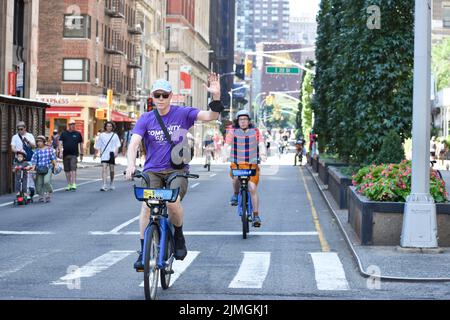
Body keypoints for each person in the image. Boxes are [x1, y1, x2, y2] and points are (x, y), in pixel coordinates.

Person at [125, 74, 224, 271]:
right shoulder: (145, 118)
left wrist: (216, 95)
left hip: (176, 170)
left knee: (172, 202)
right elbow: (134, 142)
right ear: (152, 97)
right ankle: (142, 251)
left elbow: (211, 116)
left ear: (171, 96)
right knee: (146, 207)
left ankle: (178, 236)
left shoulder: (183, 113)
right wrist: (130, 165)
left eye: (164, 95)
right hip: (152, 170)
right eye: (157, 95)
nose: (161, 99)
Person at [224, 110, 267, 227]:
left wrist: (263, 154)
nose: (243, 122)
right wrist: (225, 155)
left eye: (245, 119)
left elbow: (261, 144)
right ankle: (235, 193)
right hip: (237, 164)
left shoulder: (255, 132)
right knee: (235, 178)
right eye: (240, 119)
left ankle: (256, 215)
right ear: (237, 121)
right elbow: (227, 145)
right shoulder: (232, 132)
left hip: (252, 164)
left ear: (249, 121)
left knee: (252, 188)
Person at [10, 121, 36, 199]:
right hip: (18, 159)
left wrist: (27, 141)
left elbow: (34, 146)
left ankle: (29, 191)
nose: (20, 131)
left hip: (28, 158)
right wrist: (18, 152)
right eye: (18, 129)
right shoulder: (15, 137)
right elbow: (12, 147)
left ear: (25, 128)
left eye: (21, 129)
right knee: (19, 177)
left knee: (28, 176)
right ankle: (20, 192)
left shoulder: (30, 135)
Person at [95, 121, 121, 191]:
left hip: (111, 153)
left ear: (112, 127)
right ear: (105, 127)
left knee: (112, 169)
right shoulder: (102, 135)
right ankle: (104, 184)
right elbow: (98, 145)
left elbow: (117, 145)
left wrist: (116, 152)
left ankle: (111, 182)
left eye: (110, 126)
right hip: (104, 154)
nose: (109, 127)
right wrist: (95, 154)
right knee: (104, 169)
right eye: (107, 126)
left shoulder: (114, 135)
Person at [31, 135, 57, 202]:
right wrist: (33, 168)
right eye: (37, 142)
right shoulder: (36, 151)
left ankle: (49, 193)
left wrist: (56, 165)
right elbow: (34, 161)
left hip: (48, 168)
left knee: (46, 181)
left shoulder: (49, 149)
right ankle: (41, 196)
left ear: (44, 142)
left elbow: (53, 158)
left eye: (40, 141)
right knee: (38, 184)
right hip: (39, 169)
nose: (38, 143)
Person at [59, 119, 83, 191]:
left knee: (73, 169)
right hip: (65, 154)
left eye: (73, 124)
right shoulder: (63, 133)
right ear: (68, 125)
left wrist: (81, 153)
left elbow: (81, 144)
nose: (72, 125)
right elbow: (60, 143)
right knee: (67, 170)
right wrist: (60, 152)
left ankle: (74, 184)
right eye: (70, 124)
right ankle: (69, 184)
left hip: (74, 154)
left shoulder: (78, 134)